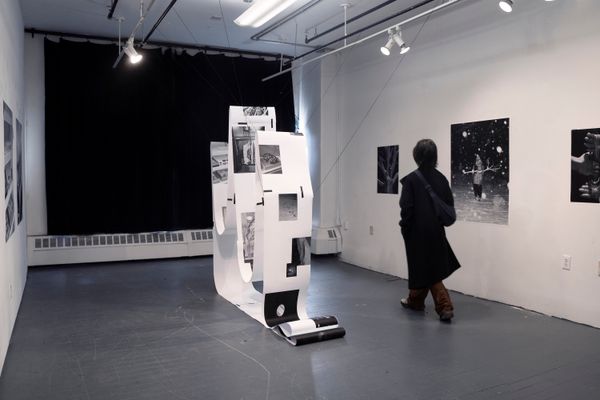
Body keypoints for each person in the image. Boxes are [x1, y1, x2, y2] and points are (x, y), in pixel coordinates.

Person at [399, 139, 461, 322]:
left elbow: (406, 208)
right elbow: (449, 204)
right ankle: (415, 300)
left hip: (416, 232)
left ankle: (444, 306)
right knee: (426, 266)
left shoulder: (411, 180)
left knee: (426, 268)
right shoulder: (441, 179)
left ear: (417, 156)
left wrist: (405, 227)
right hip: (436, 230)